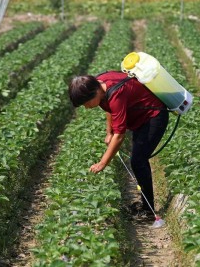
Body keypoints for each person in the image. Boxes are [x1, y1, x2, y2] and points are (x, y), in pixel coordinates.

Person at [68, 70, 169, 215]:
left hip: (153, 115)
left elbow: (120, 136)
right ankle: (146, 205)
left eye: (86, 103)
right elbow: (108, 107)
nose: (87, 107)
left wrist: (102, 163)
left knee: (138, 161)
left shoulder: (116, 93)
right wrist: (109, 132)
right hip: (140, 118)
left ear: (93, 93)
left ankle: (148, 210)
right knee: (138, 159)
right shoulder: (100, 84)